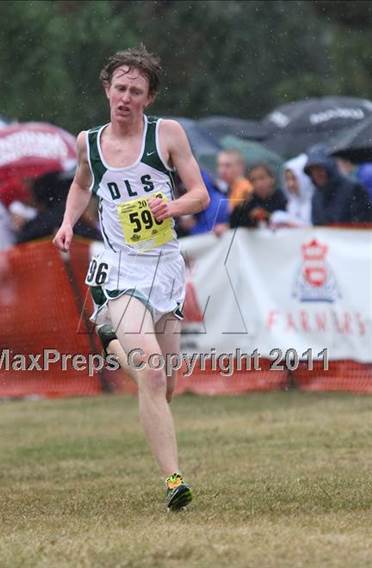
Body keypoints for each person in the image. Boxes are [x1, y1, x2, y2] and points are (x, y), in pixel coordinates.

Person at [53, 46, 209, 510]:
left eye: (135, 91)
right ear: (107, 89)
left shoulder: (168, 135)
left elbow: (200, 194)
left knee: (165, 382)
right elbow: (82, 184)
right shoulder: (88, 142)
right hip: (118, 268)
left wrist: (172, 206)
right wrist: (66, 223)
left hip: (163, 266)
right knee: (154, 374)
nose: (125, 97)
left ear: (148, 97)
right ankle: (174, 481)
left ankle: (111, 344)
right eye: (119, 88)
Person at [304, 145, 372, 225]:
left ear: (329, 168)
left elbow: (363, 224)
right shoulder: (316, 195)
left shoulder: (353, 189)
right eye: (312, 171)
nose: (316, 175)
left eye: (319, 169)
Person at [230, 163, 287, 228]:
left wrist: (266, 216)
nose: (258, 184)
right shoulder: (249, 200)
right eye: (253, 180)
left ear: (272, 179)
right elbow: (234, 225)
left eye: (262, 178)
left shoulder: (281, 198)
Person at [270, 154, 314, 228]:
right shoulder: (292, 203)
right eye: (287, 179)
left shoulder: (314, 201)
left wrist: (288, 222)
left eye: (294, 178)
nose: (290, 184)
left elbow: (317, 230)